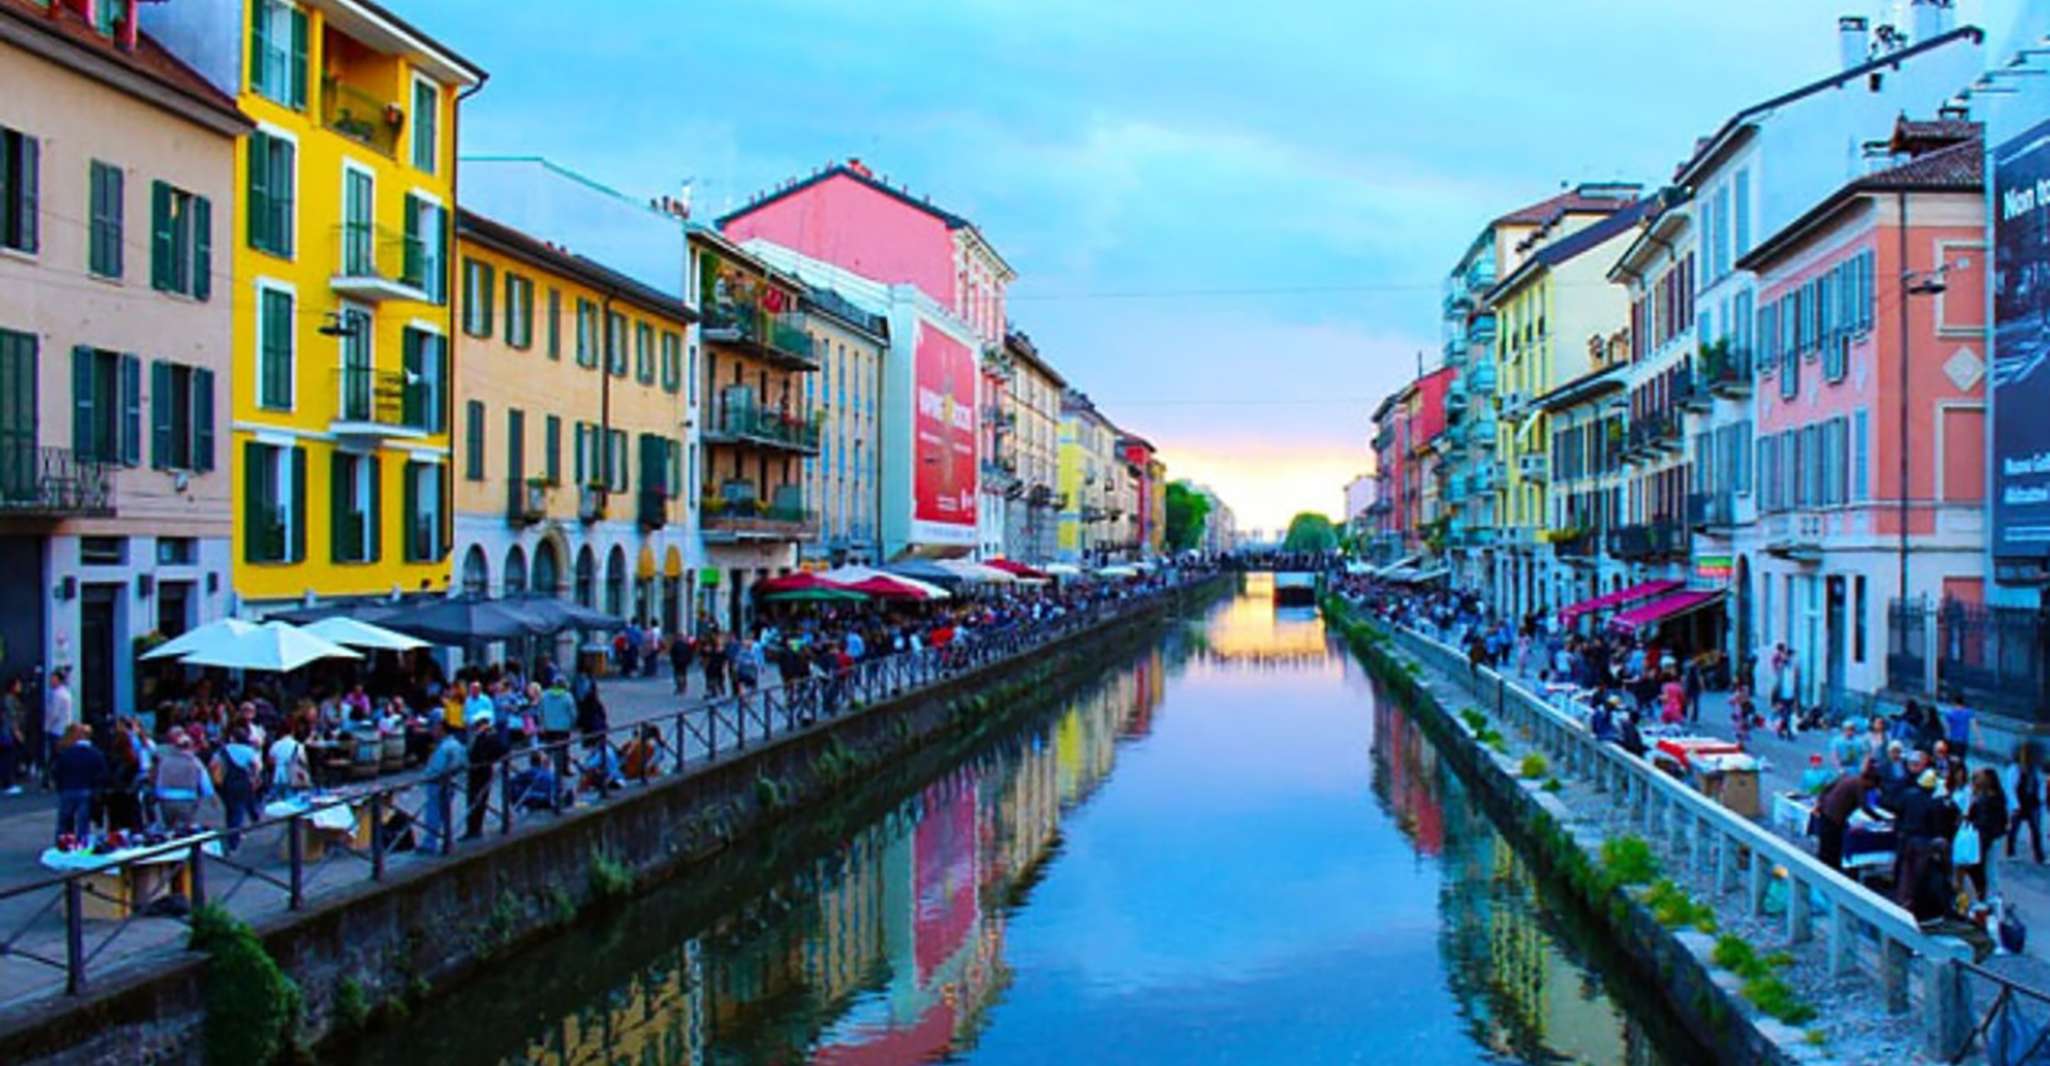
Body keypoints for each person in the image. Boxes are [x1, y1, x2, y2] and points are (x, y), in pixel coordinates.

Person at [209, 724, 264, 851]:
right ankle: (234, 839)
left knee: (231, 809)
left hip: (227, 783)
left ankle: (231, 833)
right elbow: (257, 766)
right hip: (243, 783)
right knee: (238, 810)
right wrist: (255, 778)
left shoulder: (223, 750)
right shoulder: (248, 751)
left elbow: (213, 765)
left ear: (232, 738)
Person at [1961, 767, 2010, 903]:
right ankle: (1987, 894)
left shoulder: (1990, 799)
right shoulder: (1986, 796)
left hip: (1987, 836)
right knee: (1986, 867)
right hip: (1985, 835)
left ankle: (1990, 896)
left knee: (1987, 867)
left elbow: (1990, 820)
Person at [50, 724, 104, 844]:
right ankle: (81, 843)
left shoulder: (67, 753)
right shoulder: (96, 754)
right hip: (86, 790)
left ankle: (62, 843)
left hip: (68, 789)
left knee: (64, 820)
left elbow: (57, 771)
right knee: (83, 821)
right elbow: (101, 774)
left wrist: (60, 786)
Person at [150, 728, 213, 830]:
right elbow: (205, 784)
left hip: (165, 798)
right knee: (185, 829)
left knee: (169, 828)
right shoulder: (195, 762)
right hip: (187, 798)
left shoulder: (165, 761)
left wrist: (157, 794)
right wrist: (207, 796)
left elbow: (157, 778)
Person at [420, 718, 465, 852]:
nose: (433, 731)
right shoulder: (456, 744)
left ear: (442, 730)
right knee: (445, 814)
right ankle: (447, 839)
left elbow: (437, 769)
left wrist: (428, 776)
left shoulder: (445, 747)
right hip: (450, 783)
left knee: (433, 814)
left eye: (435, 729)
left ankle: (430, 843)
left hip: (438, 784)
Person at [463, 713, 506, 840]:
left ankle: (474, 829)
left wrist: (487, 760)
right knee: (474, 799)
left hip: (481, 771)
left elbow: (501, 750)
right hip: (477, 770)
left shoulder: (489, 736)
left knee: (477, 799)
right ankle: (472, 829)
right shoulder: (484, 735)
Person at [2007, 743, 2045, 864]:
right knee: (2013, 828)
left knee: (2036, 830)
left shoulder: (2035, 770)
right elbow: (2010, 788)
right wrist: (2015, 805)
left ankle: (2039, 855)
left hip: (2032, 803)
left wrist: (2041, 799)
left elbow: (2040, 785)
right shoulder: (2014, 770)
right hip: (2020, 802)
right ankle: (2010, 851)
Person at [44, 667, 74, 789]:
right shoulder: (66, 693)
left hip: (56, 730)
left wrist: (47, 727)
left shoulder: (57, 694)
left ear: (58, 680)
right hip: (64, 730)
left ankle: (50, 780)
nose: (51, 681)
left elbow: (54, 714)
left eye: (53, 679)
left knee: (54, 757)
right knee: (59, 756)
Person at [268, 721, 312, 799]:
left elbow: (271, 762)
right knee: (291, 800)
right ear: (292, 731)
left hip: (277, 776)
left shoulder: (275, 745)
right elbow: (304, 761)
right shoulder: (298, 745)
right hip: (292, 776)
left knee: (277, 800)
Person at [0, 675, 24, 794]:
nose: (20, 687)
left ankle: (8, 782)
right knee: (8, 758)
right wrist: (17, 732)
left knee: (8, 758)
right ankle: (8, 783)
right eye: (18, 684)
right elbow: (11, 718)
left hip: (8, 732)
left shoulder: (10, 699)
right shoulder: (9, 699)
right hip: (8, 733)